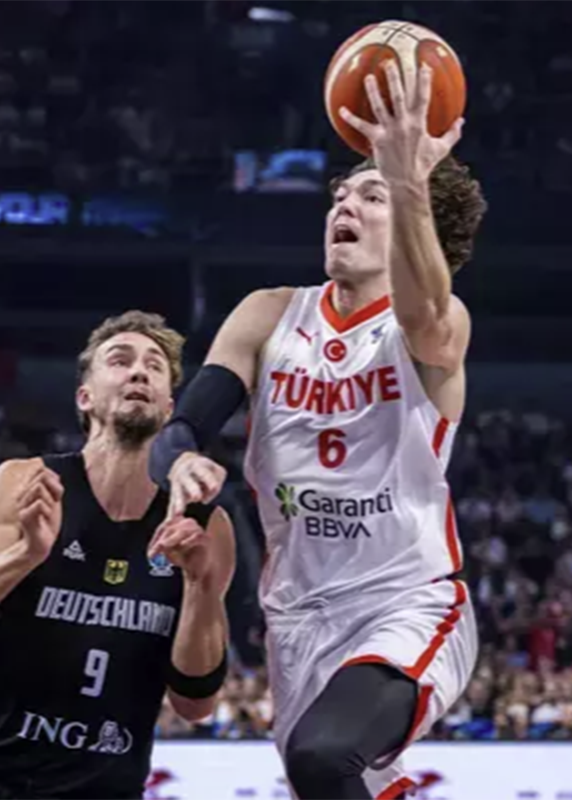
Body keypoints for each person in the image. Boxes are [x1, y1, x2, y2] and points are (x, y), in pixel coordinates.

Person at [149, 61, 486, 800]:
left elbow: (429, 314)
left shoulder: (434, 325)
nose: (345, 205)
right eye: (340, 195)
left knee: (323, 755)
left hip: (407, 601)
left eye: (371, 196)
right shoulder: (268, 314)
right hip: (298, 616)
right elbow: (185, 426)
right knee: (334, 775)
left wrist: (407, 179)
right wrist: (179, 460)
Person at [0, 311, 235, 800]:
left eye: (154, 366)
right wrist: (25, 554)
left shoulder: (202, 525)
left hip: (101, 786)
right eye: (120, 361)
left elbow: (195, 704)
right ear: (85, 396)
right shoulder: (26, 482)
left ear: (169, 408)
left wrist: (199, 584)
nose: (139, 372)